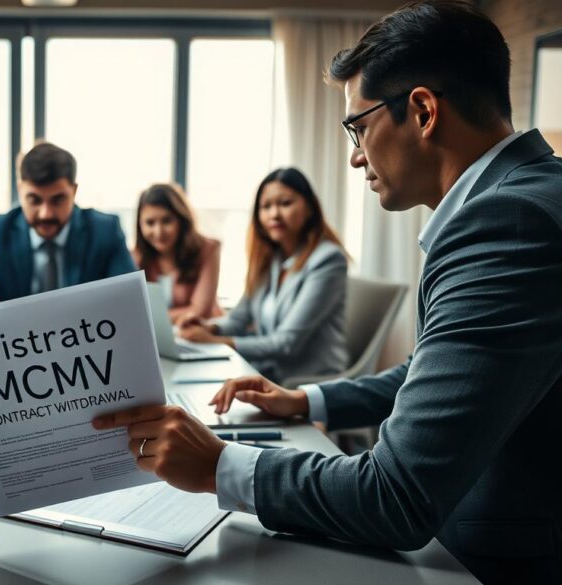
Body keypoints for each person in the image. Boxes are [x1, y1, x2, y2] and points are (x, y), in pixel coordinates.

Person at [94, 2, 562, 583]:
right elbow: (435, 371)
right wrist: (305, 401)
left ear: (421, 111)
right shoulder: (528, 196)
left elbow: (397, 498)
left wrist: (219, 466)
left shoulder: (506, 221)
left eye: (358, 126)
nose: (355, 154)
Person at [177, 168, 349, 383]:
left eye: (285, 203)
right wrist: (210, 327)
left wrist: (215, 341)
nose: (274, 214)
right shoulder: (271, 258)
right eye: (266, 206)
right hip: (266, 374)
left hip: (306, 382)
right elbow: (239, 318)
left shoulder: (328, 259)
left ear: (310, 209)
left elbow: (286, 343)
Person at [0, 142, 136, 312]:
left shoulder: (104, 230)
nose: (46, 213)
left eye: (57, 200)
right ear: (20, 190)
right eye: (34, 200)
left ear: (74, 192)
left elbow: (132, 298)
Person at [133, 183, 222, 322]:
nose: (159, 232)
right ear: (140, 225)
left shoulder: (208, 249)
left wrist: (148, 318)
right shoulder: (134, 256)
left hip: (200, 335)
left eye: (167, 221)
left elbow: (199, 311)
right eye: (150, 223)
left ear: (182, 219)